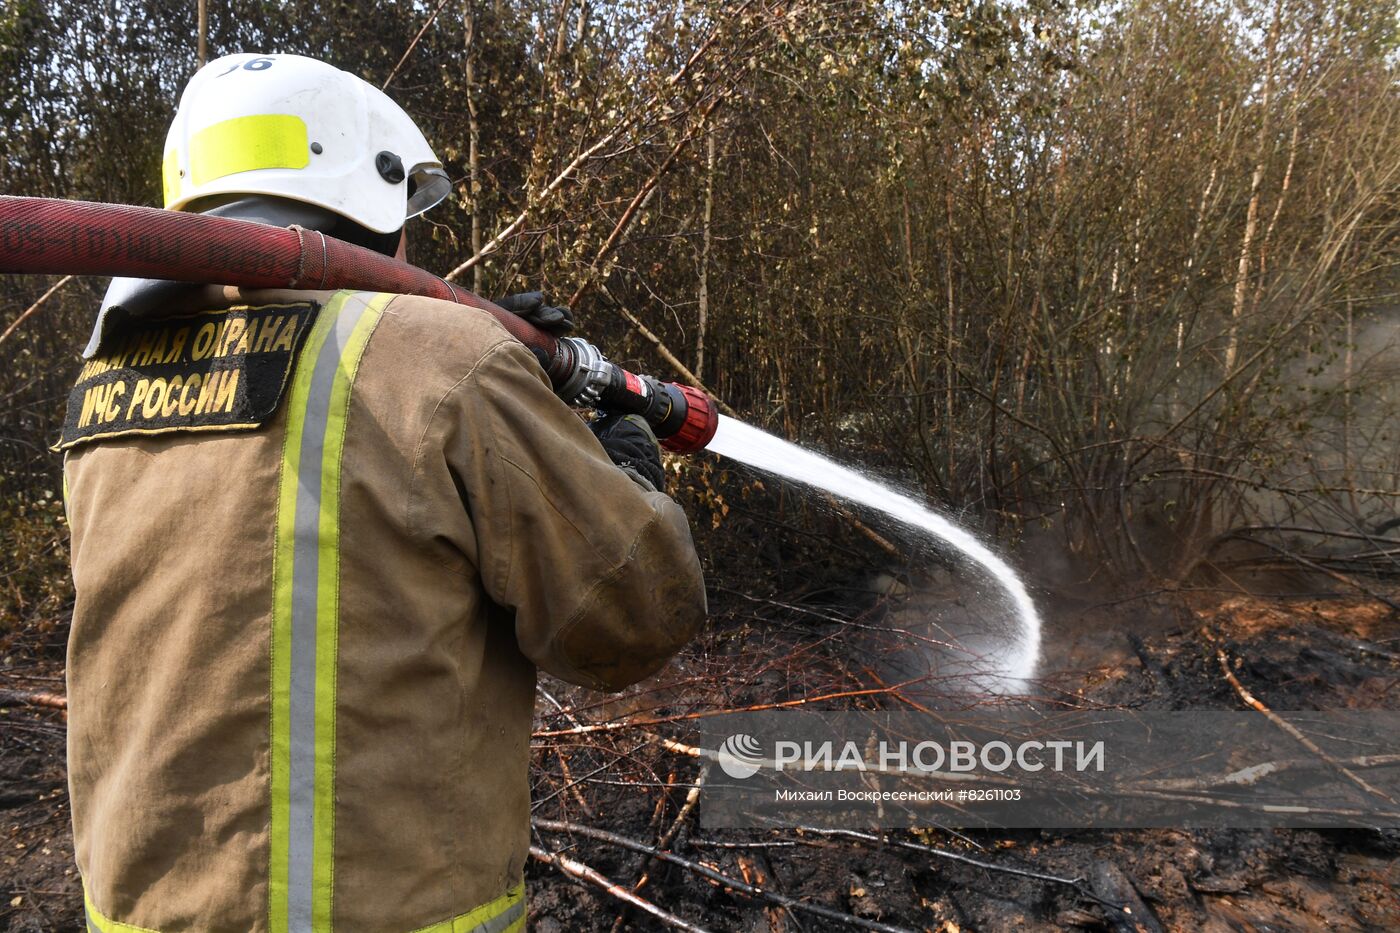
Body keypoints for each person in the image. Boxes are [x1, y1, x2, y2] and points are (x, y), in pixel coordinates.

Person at [60, 52, 706, 933]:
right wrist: (623, 468)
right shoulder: (443, 359)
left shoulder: (106, 379)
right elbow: (633, 618)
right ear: (366, 193)